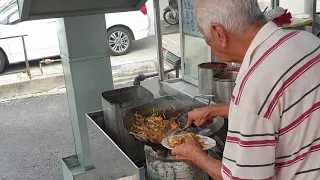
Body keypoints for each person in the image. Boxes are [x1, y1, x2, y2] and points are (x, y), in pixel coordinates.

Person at [172, 0, 320, 179]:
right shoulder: (307, 41)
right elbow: (280, 109)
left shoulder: (255, 82)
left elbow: (243, 177)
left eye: (205, 35)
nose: (207, 42)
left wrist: (196, 156)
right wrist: (213, 110)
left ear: (219, 33)